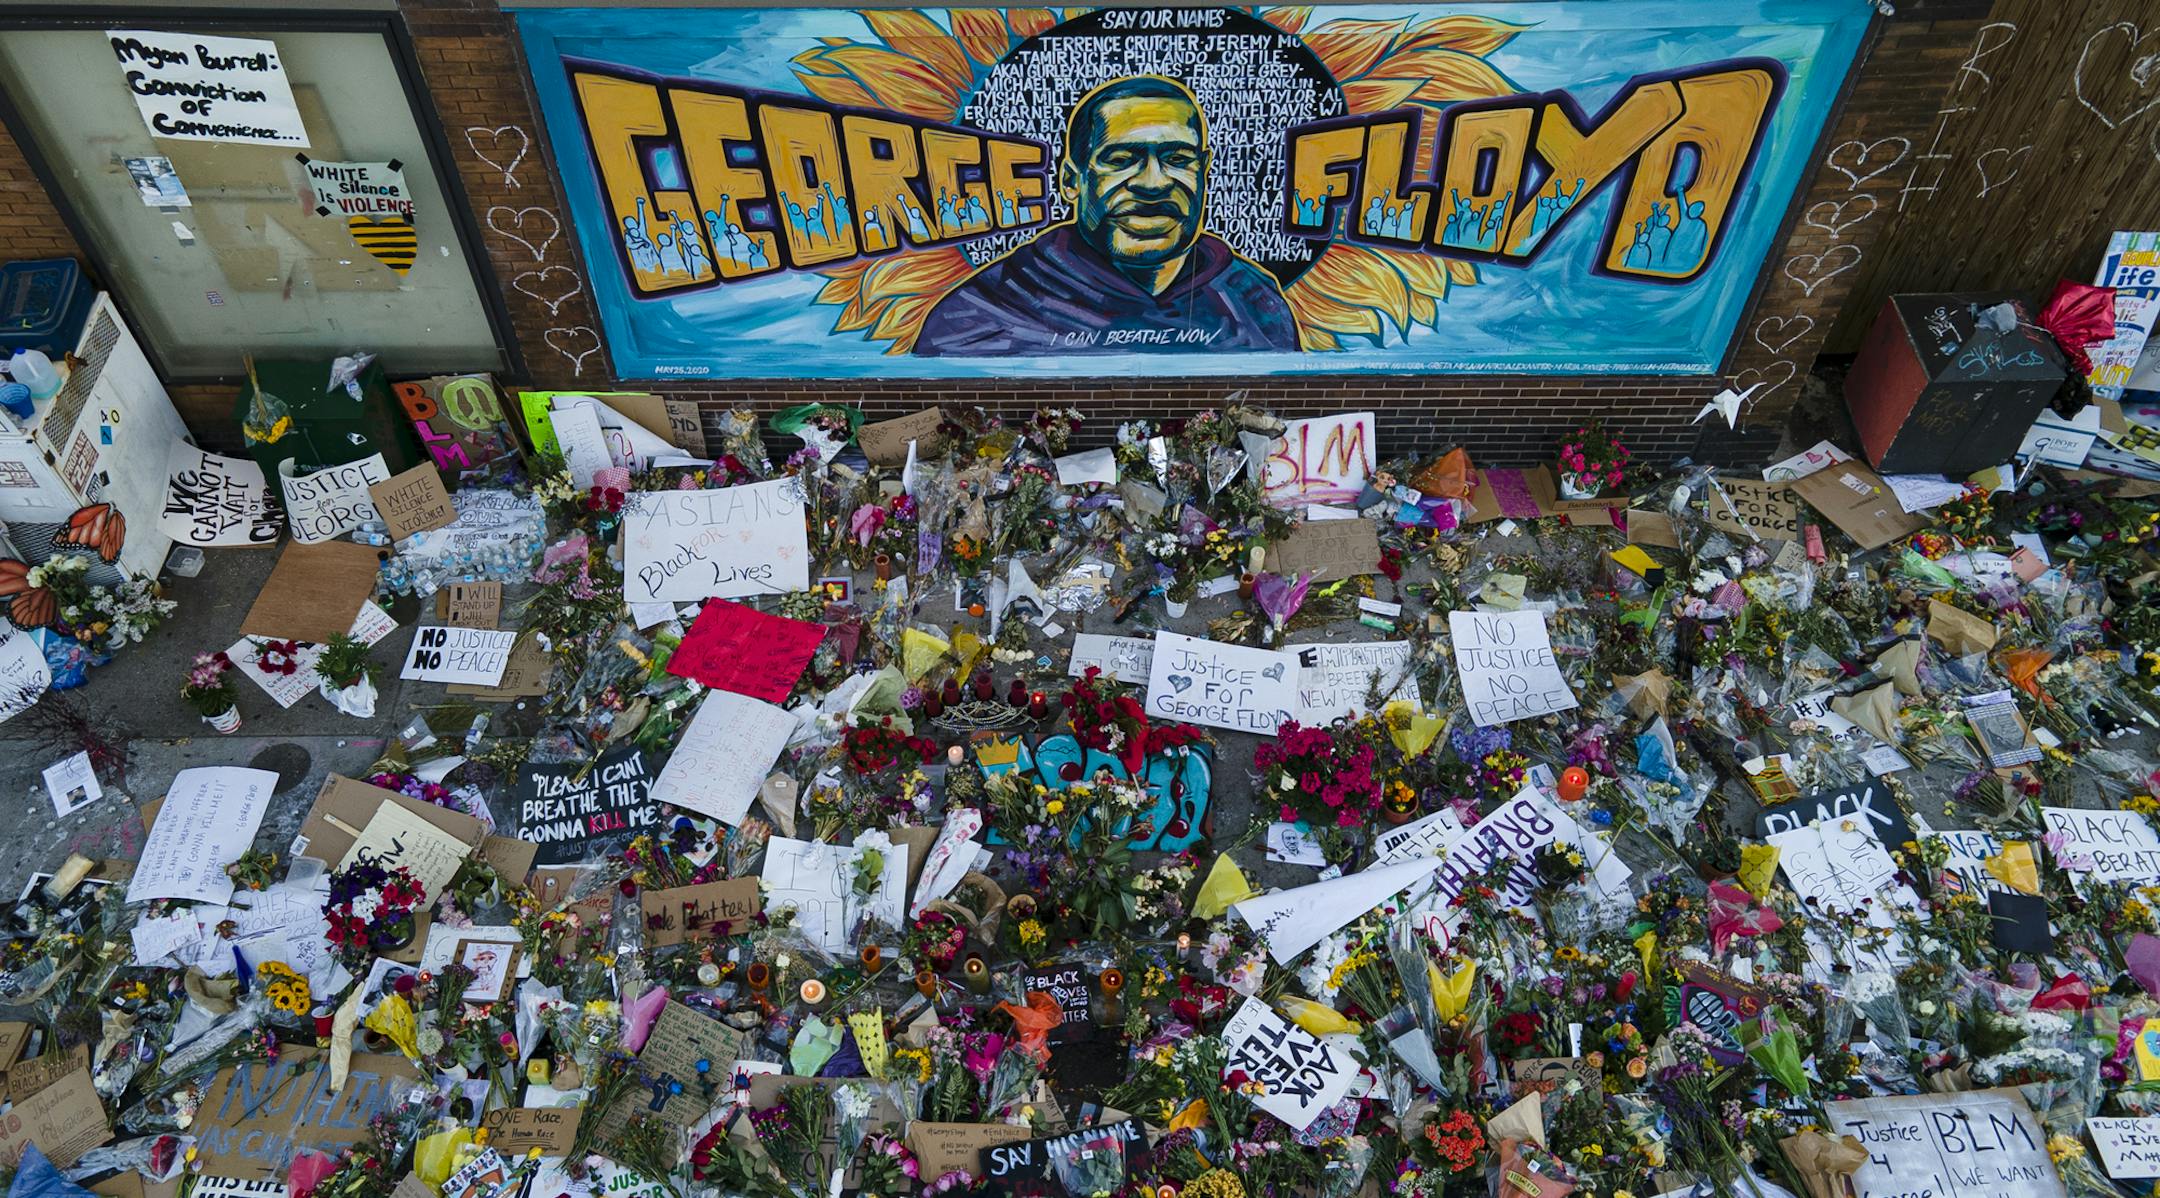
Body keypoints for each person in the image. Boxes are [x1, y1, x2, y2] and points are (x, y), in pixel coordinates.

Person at [915, 75, 1299, 357]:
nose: (1153, 184)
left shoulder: (1253, 302)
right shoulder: (983, 311)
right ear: (1071, 180)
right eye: (1121, 160)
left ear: (1204, 171)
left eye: (1178, 159)